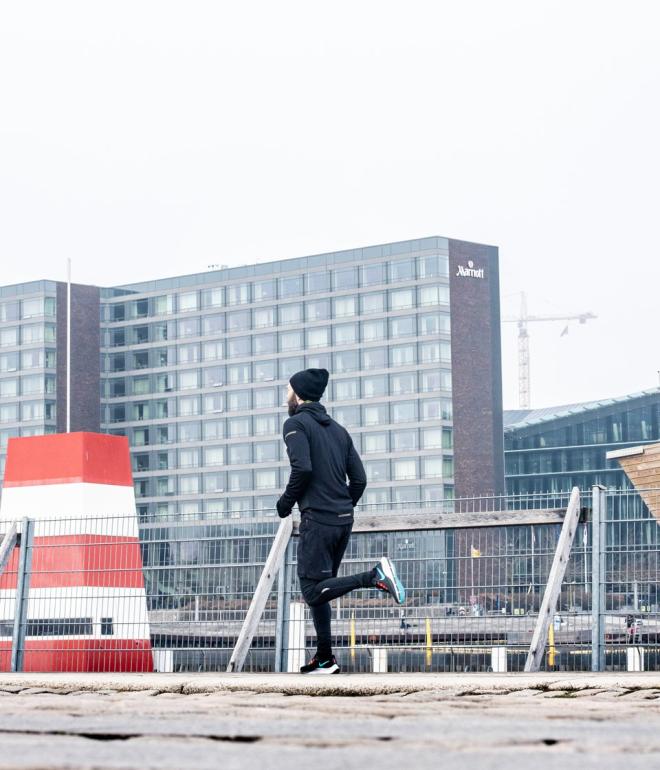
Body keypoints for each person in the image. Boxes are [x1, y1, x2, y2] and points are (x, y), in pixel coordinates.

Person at [276, 367, 405, 674]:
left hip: (318, 520)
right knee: (323, 589)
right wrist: (342, 507)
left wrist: (284, 504)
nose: (285, 396)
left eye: (287, 390)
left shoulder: (294, 424)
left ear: (297, 394)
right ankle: (324, 658)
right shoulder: (338, 430)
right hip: (341, 520)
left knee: (311, 591)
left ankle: (373, 576)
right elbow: (358, 480)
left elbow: (302, 469)